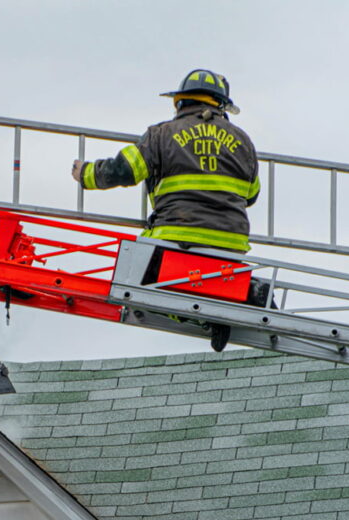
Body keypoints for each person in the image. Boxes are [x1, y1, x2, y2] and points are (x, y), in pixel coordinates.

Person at [71, 69, 260, 350]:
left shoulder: (161, 135)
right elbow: (252, 195)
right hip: (230, 246)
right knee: (200, 280)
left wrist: (85, 174)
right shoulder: (243, 141)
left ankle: (201, 318)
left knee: (136, 286)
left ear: (179, 102)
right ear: (221, 106)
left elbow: (122, 170)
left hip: (176, 238)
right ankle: (242, 296)